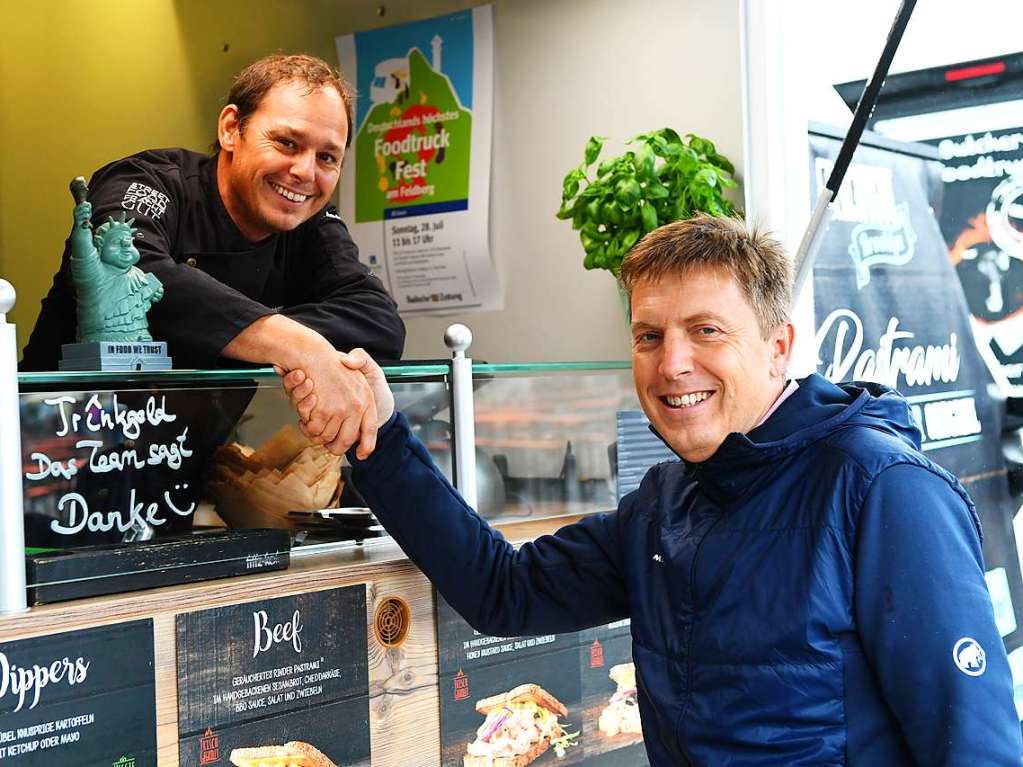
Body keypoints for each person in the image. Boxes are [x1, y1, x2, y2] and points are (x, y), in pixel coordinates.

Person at [286, 214, 1022, 765]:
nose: (672, 364)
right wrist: (378, 433)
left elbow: (974, 744)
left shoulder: (881, 488)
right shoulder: (664, 503)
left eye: (706, 330)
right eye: (648, 336)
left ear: (778, 347)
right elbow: (502, 590)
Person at [22, 53, 403, 454]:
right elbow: (131, 276)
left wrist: (256, 336)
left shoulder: (310, 222)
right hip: (54, 454)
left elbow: (377, 322)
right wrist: (300, 347)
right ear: (230, 129)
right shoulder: (146, 182)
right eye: (287, 143)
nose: (306, 173)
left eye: (327, 157)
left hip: (177, 471)